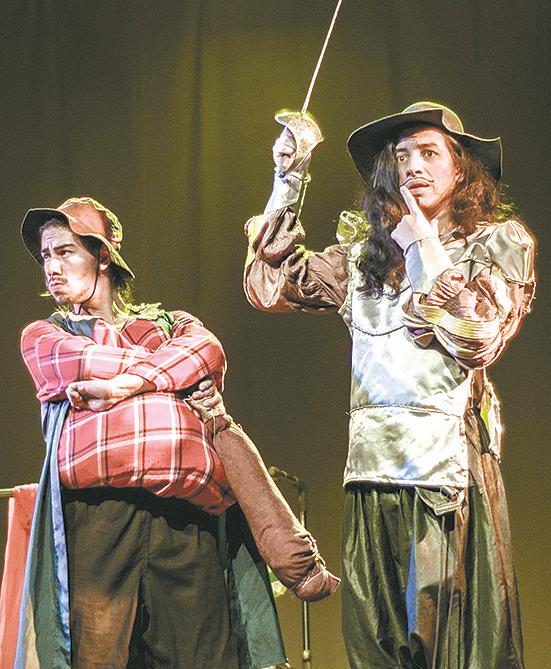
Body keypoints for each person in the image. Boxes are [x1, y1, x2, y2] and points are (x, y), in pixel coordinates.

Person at [243, 102, 535, 669]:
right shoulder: (365, 259)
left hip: (446, 477)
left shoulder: (497, 242)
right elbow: (268, 286)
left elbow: (476, 337)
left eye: (429, 153)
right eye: (402, 157)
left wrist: (422, 243)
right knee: (375, 646)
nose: (413, 167)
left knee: (455, 646)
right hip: (370, 475)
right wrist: (288, 177)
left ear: (462, 169)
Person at [17, 196, 337, 669]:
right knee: (93, 657)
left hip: (187, 520)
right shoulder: (46, 335)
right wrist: (169, 375)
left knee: (202, 657)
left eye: (64, 252)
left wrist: (124, 386)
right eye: (46, 256)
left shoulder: (170, 323)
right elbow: (84, 362)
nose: (51, 266)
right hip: (99, 520)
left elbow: (207, 350)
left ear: (103, 254)